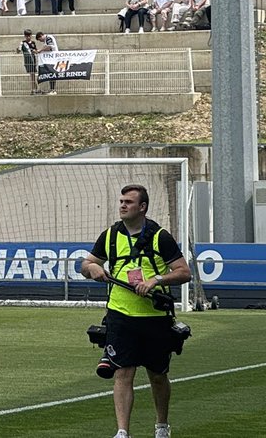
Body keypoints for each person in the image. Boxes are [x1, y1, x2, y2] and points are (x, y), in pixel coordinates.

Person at [80, 185, 192, 438]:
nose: (122, 205)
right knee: (122, 372)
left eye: (128, 202)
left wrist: (155, 280)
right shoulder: (110, 236)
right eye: (121, 201)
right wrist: (91, 268)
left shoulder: (160, 237)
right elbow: (87, 264)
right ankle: (122, 431)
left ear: (142, 207)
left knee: (158, 375)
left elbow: (184, 272)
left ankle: (161, 426)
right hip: (120, 315)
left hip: (154, 317)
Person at [19, 28, 39, 94]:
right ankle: (34, 89)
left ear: (31, 35)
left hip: (33, 60)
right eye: (26, 36)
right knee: (32, 75)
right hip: (28, 61)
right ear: (25, 36)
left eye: (29, 36)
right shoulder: (23, 43)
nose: (28, 37)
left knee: (33, 75)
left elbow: (36, 50)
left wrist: (34, 51)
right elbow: (19, 50)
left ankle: (35, 89)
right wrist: (18, 48)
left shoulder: (33, 43)